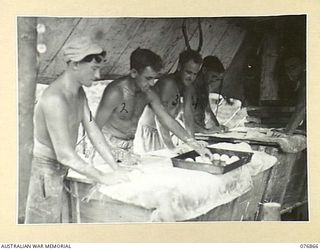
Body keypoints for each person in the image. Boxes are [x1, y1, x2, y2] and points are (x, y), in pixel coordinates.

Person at [25, 37, 130, 224]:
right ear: (75, 64)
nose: (98, 76)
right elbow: (64, 154)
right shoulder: (55, 99)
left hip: (61, 169)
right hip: (44, 172)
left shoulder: (79, 93)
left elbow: (93, 129)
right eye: (93, 69)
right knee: (41, 233)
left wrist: (116, 167)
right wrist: (102, 177)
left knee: (63, 224)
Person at [95, 48, 211, 159]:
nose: (152, 83)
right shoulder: (116, 92)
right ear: (134, 73)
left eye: (153, 78)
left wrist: (193, 144)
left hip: (129, 147)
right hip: (106, 146)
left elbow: (167, 120)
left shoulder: (149, 93)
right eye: (148, 78)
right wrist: (112, 151)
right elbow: (94, 125)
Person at [136, 50, 219, 153]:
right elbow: (160, 119)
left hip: (165, 131)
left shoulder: (188, 86)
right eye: (188, 72)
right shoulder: (168, 84)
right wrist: (171, 148)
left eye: (195, 74)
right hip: (150, 132)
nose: (191, 77)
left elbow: (188, 115)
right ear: (179, 67)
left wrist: (193, 142)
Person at [192, 55, 227, 133]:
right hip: (188, 132)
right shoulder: (191, 87)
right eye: (213, 76)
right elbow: (185, 118)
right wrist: (205, 131)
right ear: (204, 70)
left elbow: (208, 110)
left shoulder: (205, 87)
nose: (213, 80)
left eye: (216, 78)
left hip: (201, 130)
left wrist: (218, 127)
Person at [276, 53, 306, 135]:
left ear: (304, 66)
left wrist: (287, 133)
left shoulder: (306, 79)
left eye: (293, 67)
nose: (290, 72)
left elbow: (302, 107)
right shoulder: (300, 81)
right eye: (287, 68)